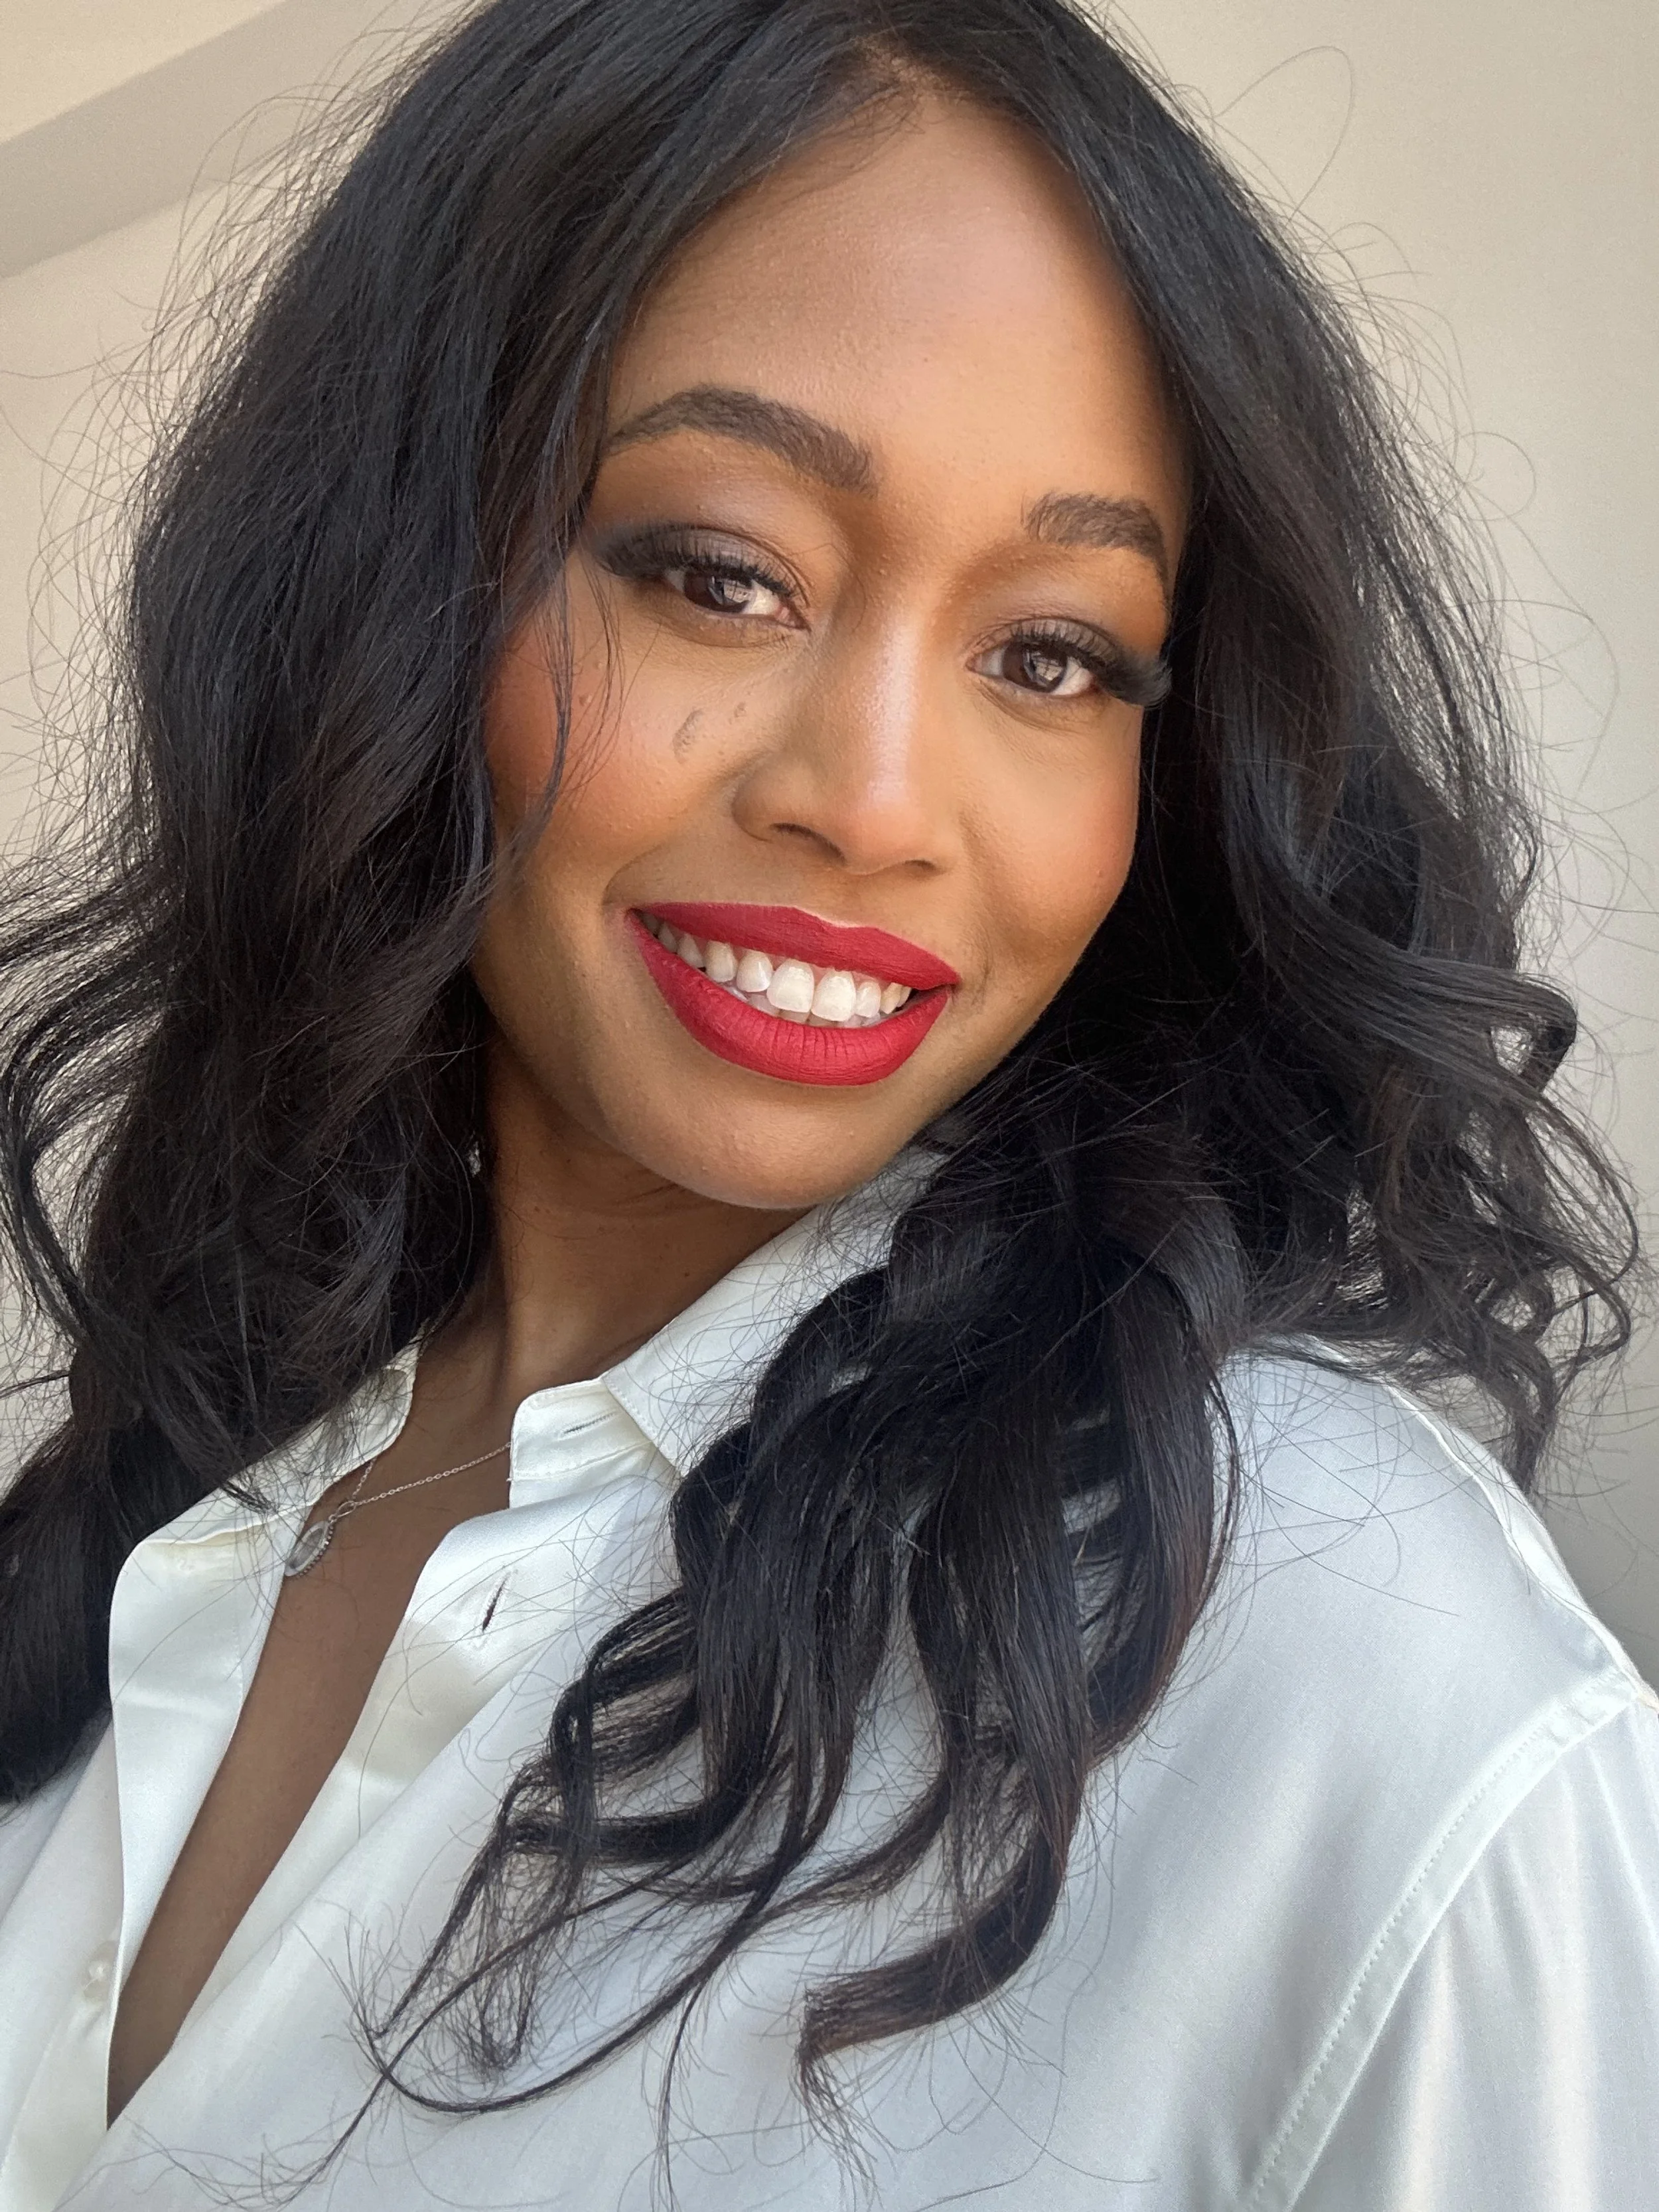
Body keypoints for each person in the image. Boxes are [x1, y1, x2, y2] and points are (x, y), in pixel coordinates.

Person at [0, 0, 1654, 2203]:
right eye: (717, 571)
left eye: (1051, 653)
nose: (875, 804)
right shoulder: (180, 1480)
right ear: (394, 581)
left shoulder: (1356, 1680)